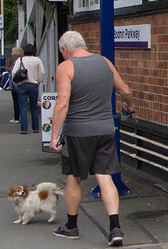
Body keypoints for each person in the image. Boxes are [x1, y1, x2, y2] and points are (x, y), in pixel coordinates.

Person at [50, 31, 134, 247]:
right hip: (105, 130)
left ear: (65, 49)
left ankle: (71, 226)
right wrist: (130, 107)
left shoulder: (66, 67)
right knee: (105, 176)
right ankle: (115, 227)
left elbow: (62, 103)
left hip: (78, 132)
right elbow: (125, 90)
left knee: (73, 177)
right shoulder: (105, 62)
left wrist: (54, 136)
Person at [13, 44, 44, 134]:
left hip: (22, 85)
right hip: (33, 85)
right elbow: (42, 72)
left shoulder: (20, 59)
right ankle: (36, 128)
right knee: (34, 107)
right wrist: (39, 81)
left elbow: (14, 72)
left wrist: (15, 83)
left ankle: (24, 129)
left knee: (23, 107)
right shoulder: (37, 60)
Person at [6, 47, 23, 123]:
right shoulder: (24, 60)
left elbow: (12, 73)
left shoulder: (15, 61)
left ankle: (16, 117)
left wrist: (9, 76)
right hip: (22, 83)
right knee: (22, 101)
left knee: (16, 101)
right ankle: (22, 116)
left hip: (15, 83)